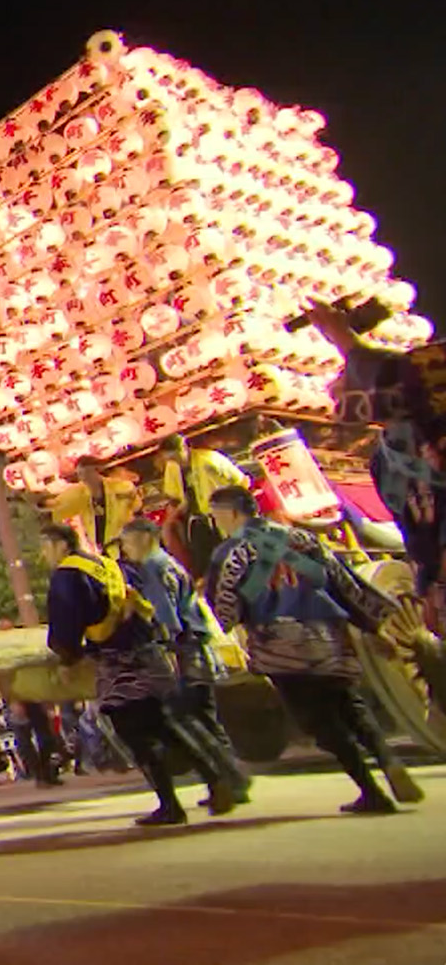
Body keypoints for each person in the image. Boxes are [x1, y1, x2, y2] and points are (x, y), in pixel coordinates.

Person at [205, 485, 424, 811]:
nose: (216, 522)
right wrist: (373, 627)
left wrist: (236, 625)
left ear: (232, 513)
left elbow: (225, 607)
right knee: (352, 708)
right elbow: (342, 582)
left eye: (216, 515)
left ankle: (371, 791)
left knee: (321, 724)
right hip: (330, 638)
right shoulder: (301, 539)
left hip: (280, 645)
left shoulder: (229, 553)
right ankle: (389, 760)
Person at [41, 523, 240, 825]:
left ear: (59, 545)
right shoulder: (108, 565)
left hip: (119, 664)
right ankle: (215, 779)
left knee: (134, 733)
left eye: (45, 547)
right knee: (162, 725)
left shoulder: (68, 575)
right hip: (148, 653)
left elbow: (67, 621)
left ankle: (171, 804)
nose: (44, 555)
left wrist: (67, 659)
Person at [310, 302, 446, 631]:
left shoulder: (430, 428)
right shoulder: (383, 461)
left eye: (345, 375)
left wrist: (344, 338)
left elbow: (407, 379)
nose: (332, 389)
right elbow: (411, 530)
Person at [118, 518, 250, 803]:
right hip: (199, 648)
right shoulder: (170, 563)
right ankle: (234, 781)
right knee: (207, 719)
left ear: (144, 538)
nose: (126, 549)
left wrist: (165, 650)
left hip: (181, 652)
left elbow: (165, 617)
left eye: (127, 542)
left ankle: (226, 780)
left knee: (190, 721)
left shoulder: (152, 568)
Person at [156, 435, 252, 580]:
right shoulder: (172, 467)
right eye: (170, 459)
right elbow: (173, 495)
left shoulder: (209, 459)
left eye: (176, 457)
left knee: (232, 553)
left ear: (185, 449)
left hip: (221, 515)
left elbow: (242, 480)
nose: (174, 462)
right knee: (205, 561)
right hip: (197, 520)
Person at [48, 456, 140, 557]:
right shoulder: (78, 493)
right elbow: (56, 509)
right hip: (103, 549)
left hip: (127, 541)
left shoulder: (121, 487)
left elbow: (136, 506)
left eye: (87, 473)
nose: (84, 478)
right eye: (80, 474)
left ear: (97, 471)